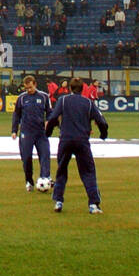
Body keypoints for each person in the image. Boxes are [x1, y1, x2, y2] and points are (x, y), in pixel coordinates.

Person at [45, 76, 108, 214]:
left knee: (62, 170)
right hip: (82, 140)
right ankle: (93, 204)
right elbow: (101, 121)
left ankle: (58, 201)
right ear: (83, 88)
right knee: (88, 172)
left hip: (66, 139)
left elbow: (53, 118)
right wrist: (103, 134)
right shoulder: (88, 103)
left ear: (69, 88)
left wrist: (48, 133)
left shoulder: (63, 100)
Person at [11, 74, 52, 192]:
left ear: (35, 85)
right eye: (26, 88)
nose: (28, 90)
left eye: (30, 87)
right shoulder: (22, 98)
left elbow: (50, 112)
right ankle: (29, 181)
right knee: (27, 158)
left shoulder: (44, 97)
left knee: (45, 155)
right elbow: (16, 114)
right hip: (26, 132)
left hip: (40, 132)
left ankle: (45, 178)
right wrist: (14, 130)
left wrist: (48, 121)